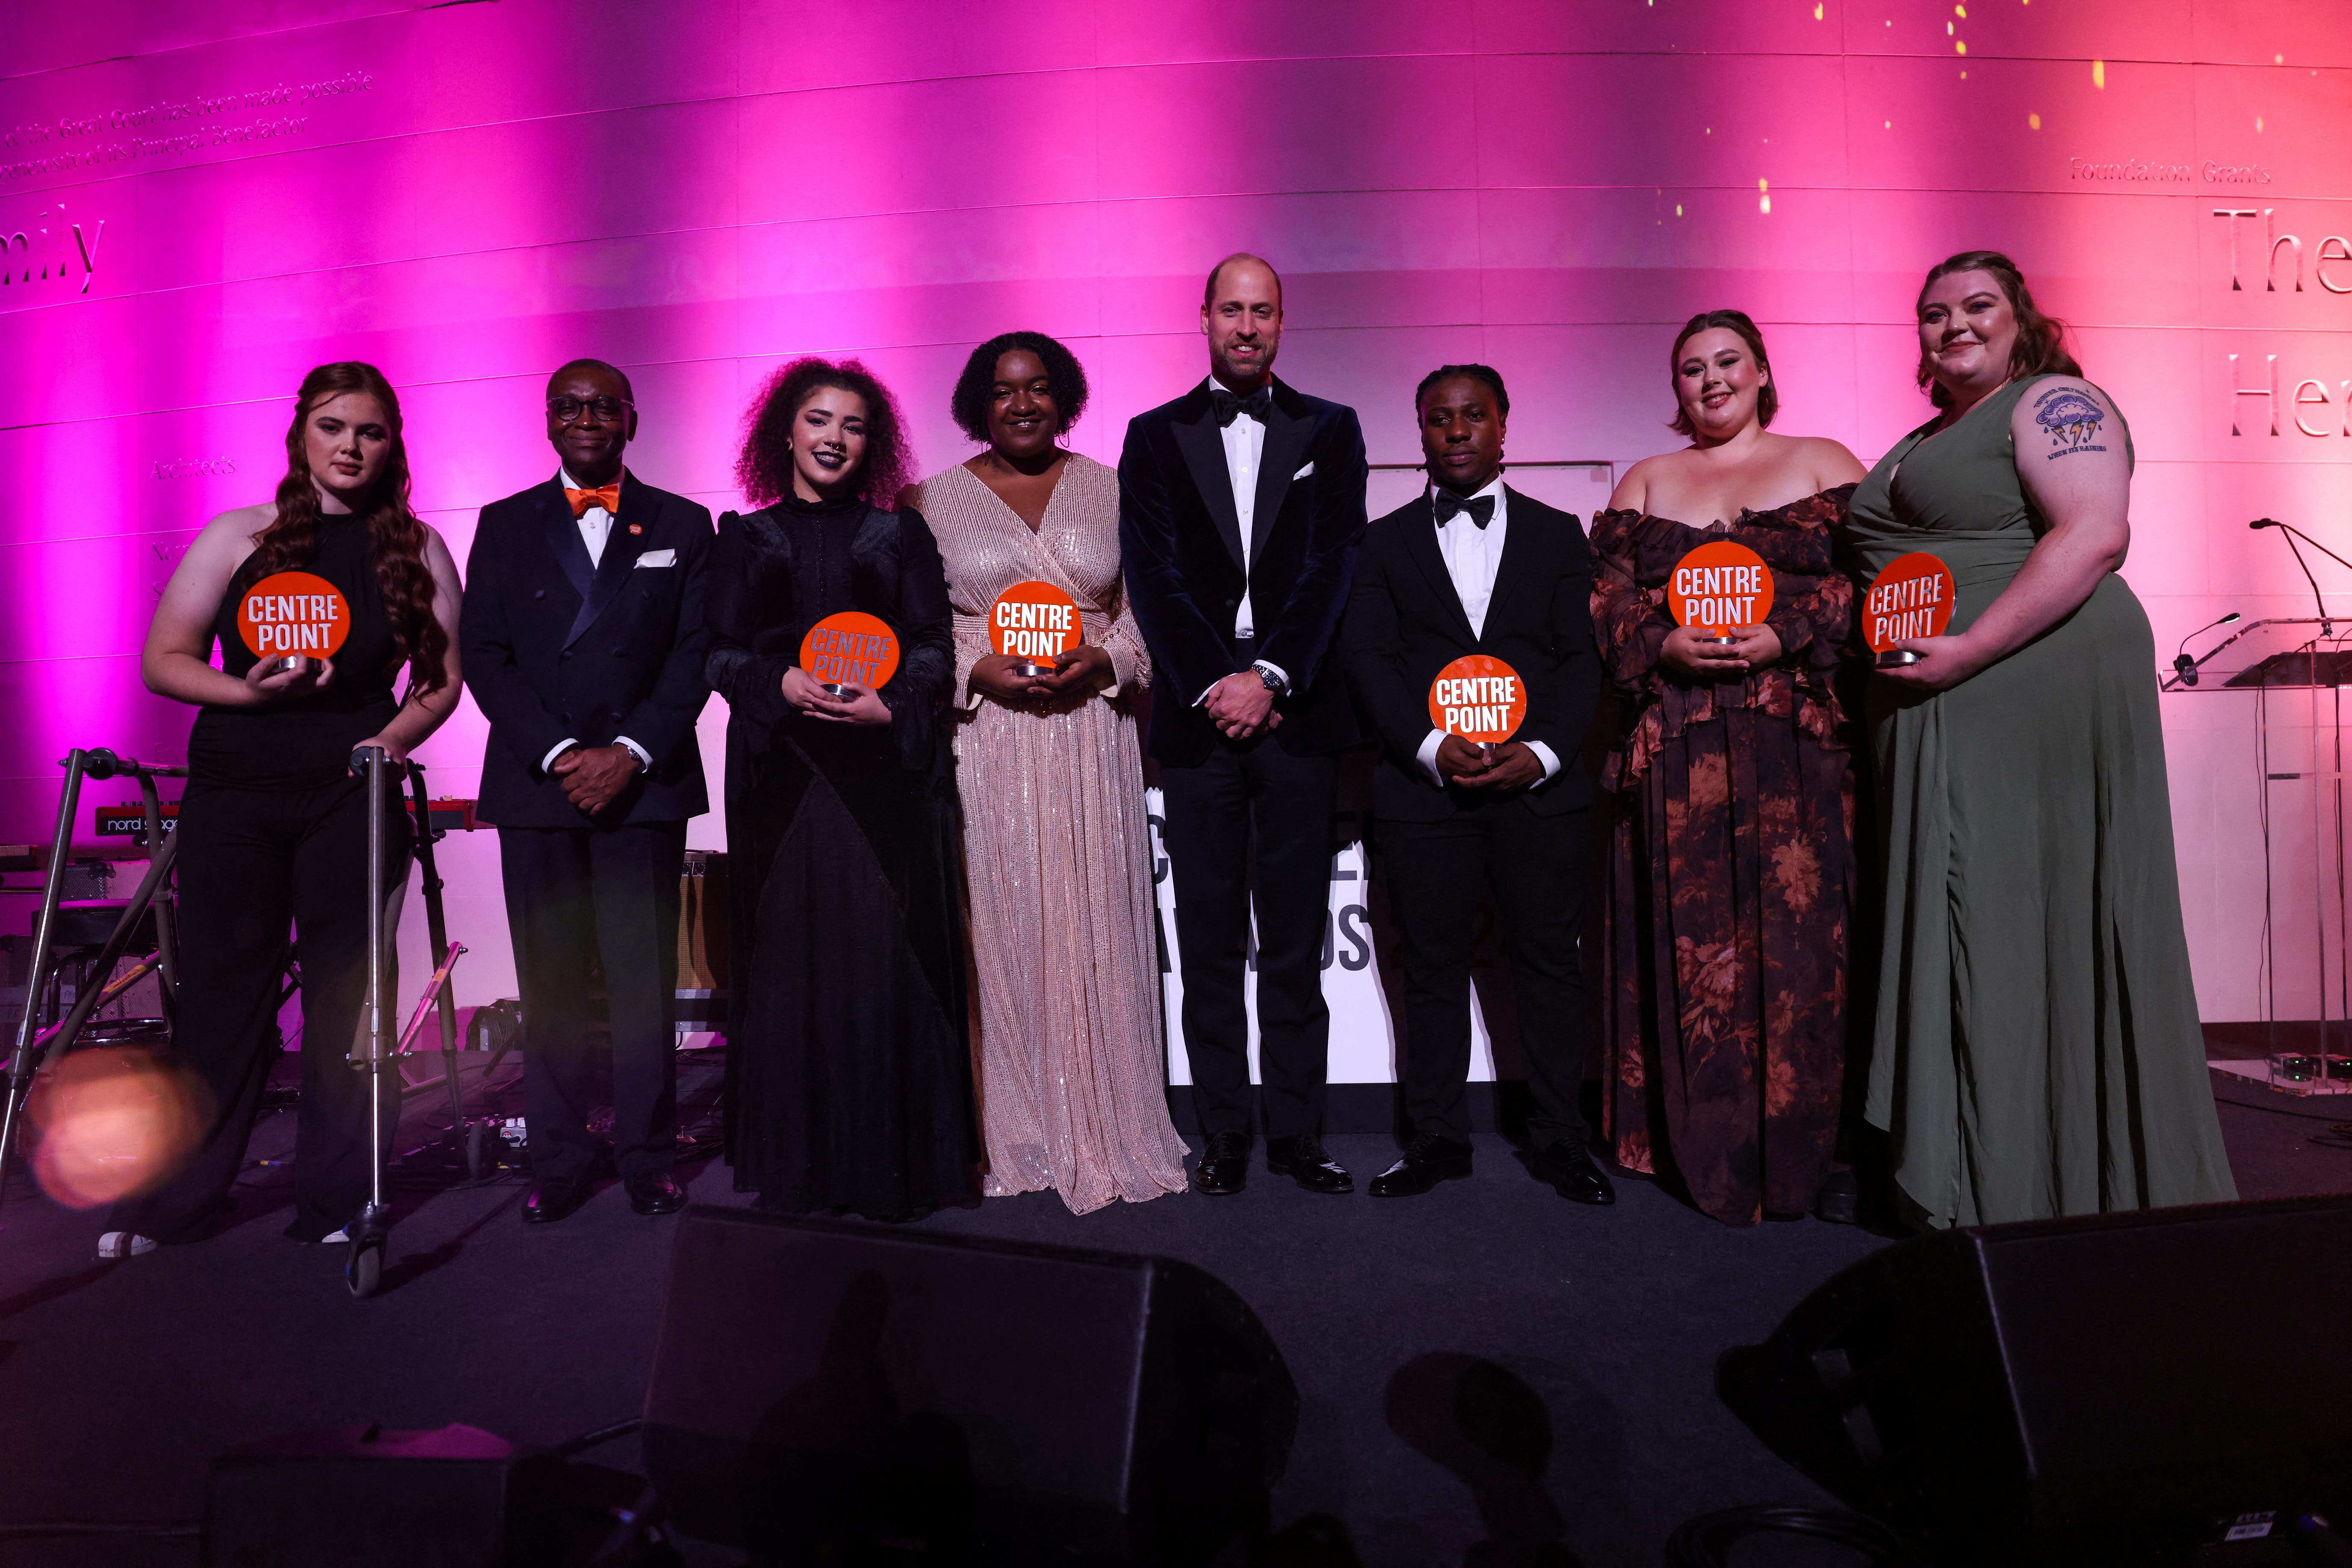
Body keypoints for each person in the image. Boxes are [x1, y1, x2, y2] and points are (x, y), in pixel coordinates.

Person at [1845, 251, 2235, 1227]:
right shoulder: (1928, 434)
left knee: (2024, 916)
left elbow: (2094, 530)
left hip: (2028, 680)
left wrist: (1969, 647)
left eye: (1977, 306)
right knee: (1985, 919)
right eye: (1932, 314)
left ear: (2019, 317)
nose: (1953, 326)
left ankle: (2037, 1184)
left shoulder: (2053, 401)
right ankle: (1987, 1173)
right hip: (1954, 696)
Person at [99, 362, 463, 1257]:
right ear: (302, 432)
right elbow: (165, 659)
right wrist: (248, 693)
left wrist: (392, 740)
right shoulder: (237, 534)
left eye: (370, 432)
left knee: (347, 1005)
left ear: (392, 445)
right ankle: (178, 1202)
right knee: (221, 1000)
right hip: (234, 792)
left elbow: (443, 680)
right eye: (334, 427)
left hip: (351, 792)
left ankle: (338, 1199)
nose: (351, 446)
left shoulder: (416, 547)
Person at [1590, 311, 1867, 1226]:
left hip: (1795, 743)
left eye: (1725, 363)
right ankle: (1701, 1158)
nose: (1708, 381)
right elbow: (1601, 603)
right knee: (1690, 949)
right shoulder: (1645, 479)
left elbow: (1875, 586)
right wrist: (1659, 640)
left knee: (1803, 948)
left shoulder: (1826, 461)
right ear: (1675, 389)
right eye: (1689, 370)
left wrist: (1785, 632)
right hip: (1676, 744)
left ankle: (1807, 1158)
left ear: (1759, 372)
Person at [911, 331, 1189, 1214]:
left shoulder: (1114, 486)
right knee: (1005, 918)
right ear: (976, 405)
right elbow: (916, 626)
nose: (1021, 404)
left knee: (1098, 911)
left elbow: (1151, 611)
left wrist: (1109, 662)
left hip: (1089, 734)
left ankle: (1111, 1121)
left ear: (1063, 396)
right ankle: (1020, 1127)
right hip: (989, 738)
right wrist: (972, 668)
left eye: (1036, 389)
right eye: (1001, 391)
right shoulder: (928, 501)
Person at [1117, 253, 1369, 1196]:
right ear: (1203, 318)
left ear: (1281, 322)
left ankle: (1298, 1136)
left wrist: (1268, 675)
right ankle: (1225, 1133)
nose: (1247, 326)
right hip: (1196, 720)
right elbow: (1152, 576)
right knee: (1211, 939)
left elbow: (1333, 563)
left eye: (1262, 311)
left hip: (1296, 714)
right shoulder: (1151, 436)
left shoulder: (1330, 429)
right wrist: (1215, 682)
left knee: (1296, 940)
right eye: (1231, 309)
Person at [704, 357, 977, 1220]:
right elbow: (714, 652)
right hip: (780, 784)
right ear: (784, 430)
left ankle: (889, 1167)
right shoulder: (742, 538)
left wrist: (890, 706)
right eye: (819, 420)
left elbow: (934, 645)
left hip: (883, 784)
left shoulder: (901, 536)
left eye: (854, 426)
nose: (834, 438)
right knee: (789, 968)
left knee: (881, 966)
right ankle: (801, 1169)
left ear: (873, 444)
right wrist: (778, 683)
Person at [1341, 365, 1613, 1205]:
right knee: (1426, 968)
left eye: (1472, 416)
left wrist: (1541, 752)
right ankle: (1434, 1142)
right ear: (1418, 433)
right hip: (1425, 795)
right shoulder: (1378, 543)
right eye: (1437, 419)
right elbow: (1369, 663)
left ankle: (1561, 1142)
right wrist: (1427, 746)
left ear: (1503, 426)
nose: (1455, 431)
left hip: (1538, 791)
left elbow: (1582, 660)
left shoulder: (1560, 533)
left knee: (1546, 963)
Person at [462, 359, 713, 1225]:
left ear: (631, 420)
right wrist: (567, 749)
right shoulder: (501, 523)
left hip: (642, 782)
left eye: (603, 406)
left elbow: (694, 653)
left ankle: (647, 1154)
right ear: (546, 420)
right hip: (540, 782)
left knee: (644, 981)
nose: (586, 418)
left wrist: (632, 750)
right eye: (568, 406)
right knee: (553, 980)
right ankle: (562, 1155)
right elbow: (484, 656)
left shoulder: (684, 521)